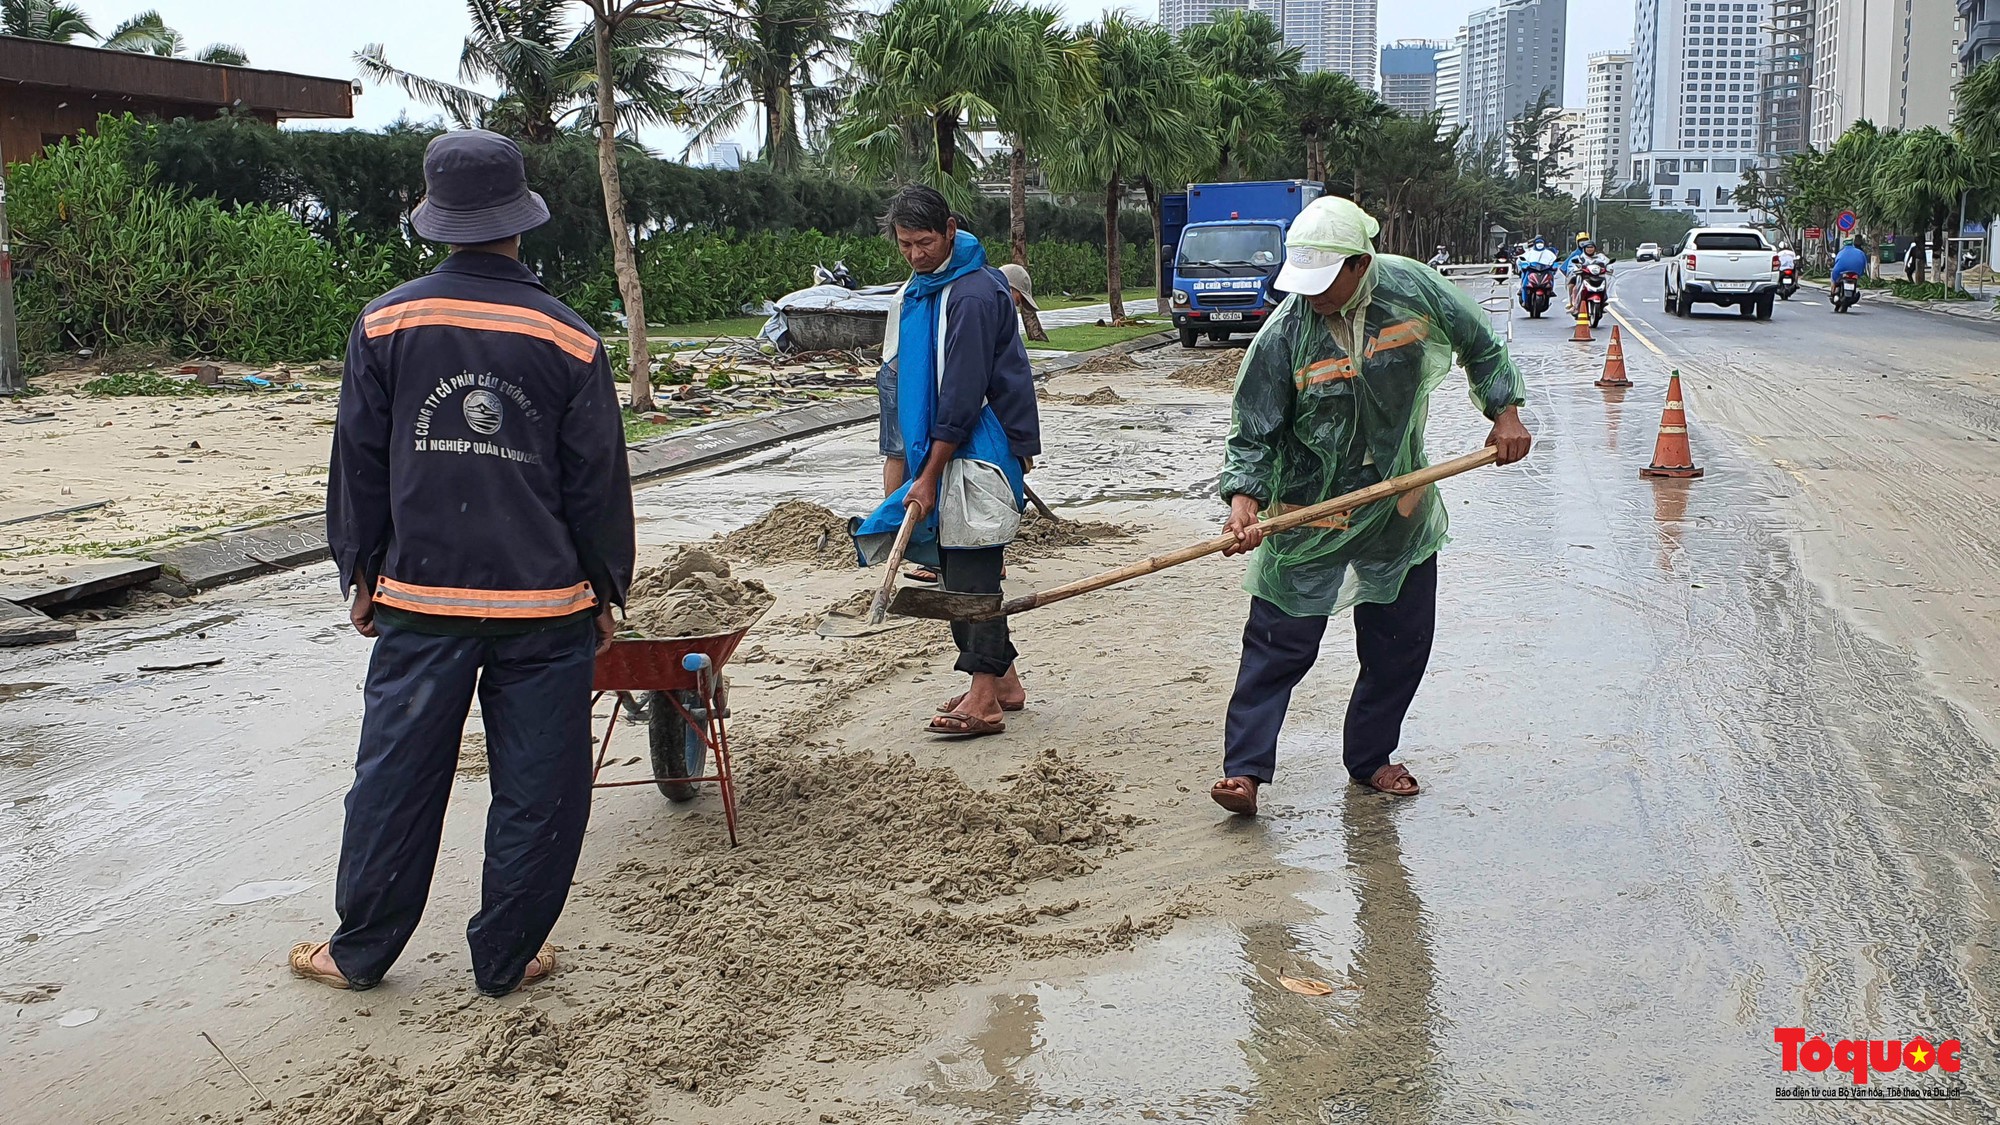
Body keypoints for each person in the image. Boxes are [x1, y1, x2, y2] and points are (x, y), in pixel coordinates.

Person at [298, 130, 635, 996]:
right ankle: (509, 953)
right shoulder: (568, 338)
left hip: (419, 597)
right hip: (545, 605)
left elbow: (360, 464)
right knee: (540, 785)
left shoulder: (386, 322)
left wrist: (360, 572)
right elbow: (595, 482)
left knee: (396, 777)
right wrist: (607, 588)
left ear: (438, 221)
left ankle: (358, 950)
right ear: (521, 221)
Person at [1208, 196, 1532, 815]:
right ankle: (1244, 771)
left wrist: (1505, 415)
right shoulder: (1283, 336)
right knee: (1278, 643)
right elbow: (1254, 431)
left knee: (1399, 640)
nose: (1312, 296)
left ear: (1360, 265)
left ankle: (1371, 758)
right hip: (1308, 511)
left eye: (1325, 282)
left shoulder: (1413, 291)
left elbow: (1480, 344)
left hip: (1399, 504)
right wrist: (1245, 505)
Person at [854, 185, 1041, 738]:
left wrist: (929, 476)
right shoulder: (926, 288)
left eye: (926, 242)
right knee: (958, 564)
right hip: (941, 445)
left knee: (972, 570)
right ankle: (1003, 681)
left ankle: (983, 698)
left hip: (974, 447)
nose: (916, 255)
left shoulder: (974, 296)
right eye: (906, 244)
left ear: (951, 229)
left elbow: (960, 396)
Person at [1565, 238, 1611, 315]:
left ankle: (1603, 301)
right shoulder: (1579, 258)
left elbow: (1608, 264)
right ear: (1584, 249)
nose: (1590, 249)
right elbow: (1572, 267)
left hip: (1597, 277)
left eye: (1591, 247)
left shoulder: (1600, 257)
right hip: (1583, 277)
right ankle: (1573, 304)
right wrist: (1576, 269)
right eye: (1588, 248)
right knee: (1573, 286)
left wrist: (1609, 268)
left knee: (1604, 282)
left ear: (1595, 248)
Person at [1517, 236, 1558, 304]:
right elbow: (1520, 260)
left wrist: (1554, 266)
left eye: (1541, 242)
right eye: (1538, 242)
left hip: (1545, 271)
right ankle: (1524, 300)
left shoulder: (1549, 253)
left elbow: (1555, 261)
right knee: (1524, 285)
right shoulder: (1530, 253)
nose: (1539, 244)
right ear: (1535, 243)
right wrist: (1523, 265)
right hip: (1531, 271)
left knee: (1550, 276)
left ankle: (1551, 291)